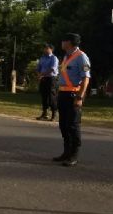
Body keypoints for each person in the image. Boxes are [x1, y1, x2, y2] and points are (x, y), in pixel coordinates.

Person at [55, 33, 91, 167]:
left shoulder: (82, 57)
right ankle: (66, 152)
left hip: (73, 95)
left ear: (69, 42)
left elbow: (86, 78)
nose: (62, 42)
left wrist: (80, 97)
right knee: (63, 124)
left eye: (63, 40)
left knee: (73, 125)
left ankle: (74, 155)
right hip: (63, 94)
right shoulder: (66, 56)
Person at [36, 44, 59, 121]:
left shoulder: (54, 58)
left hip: (51, 79)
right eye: (44, 48)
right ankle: (45, 113)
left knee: (52, 96)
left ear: (51, 49)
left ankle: (54, 114)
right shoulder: (42, 58)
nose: (45, 50)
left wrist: (42, 74)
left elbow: (52, 69)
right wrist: (39, 74)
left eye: (47, 48)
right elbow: (38, 68)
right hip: (43, 79)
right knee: (44, 96)